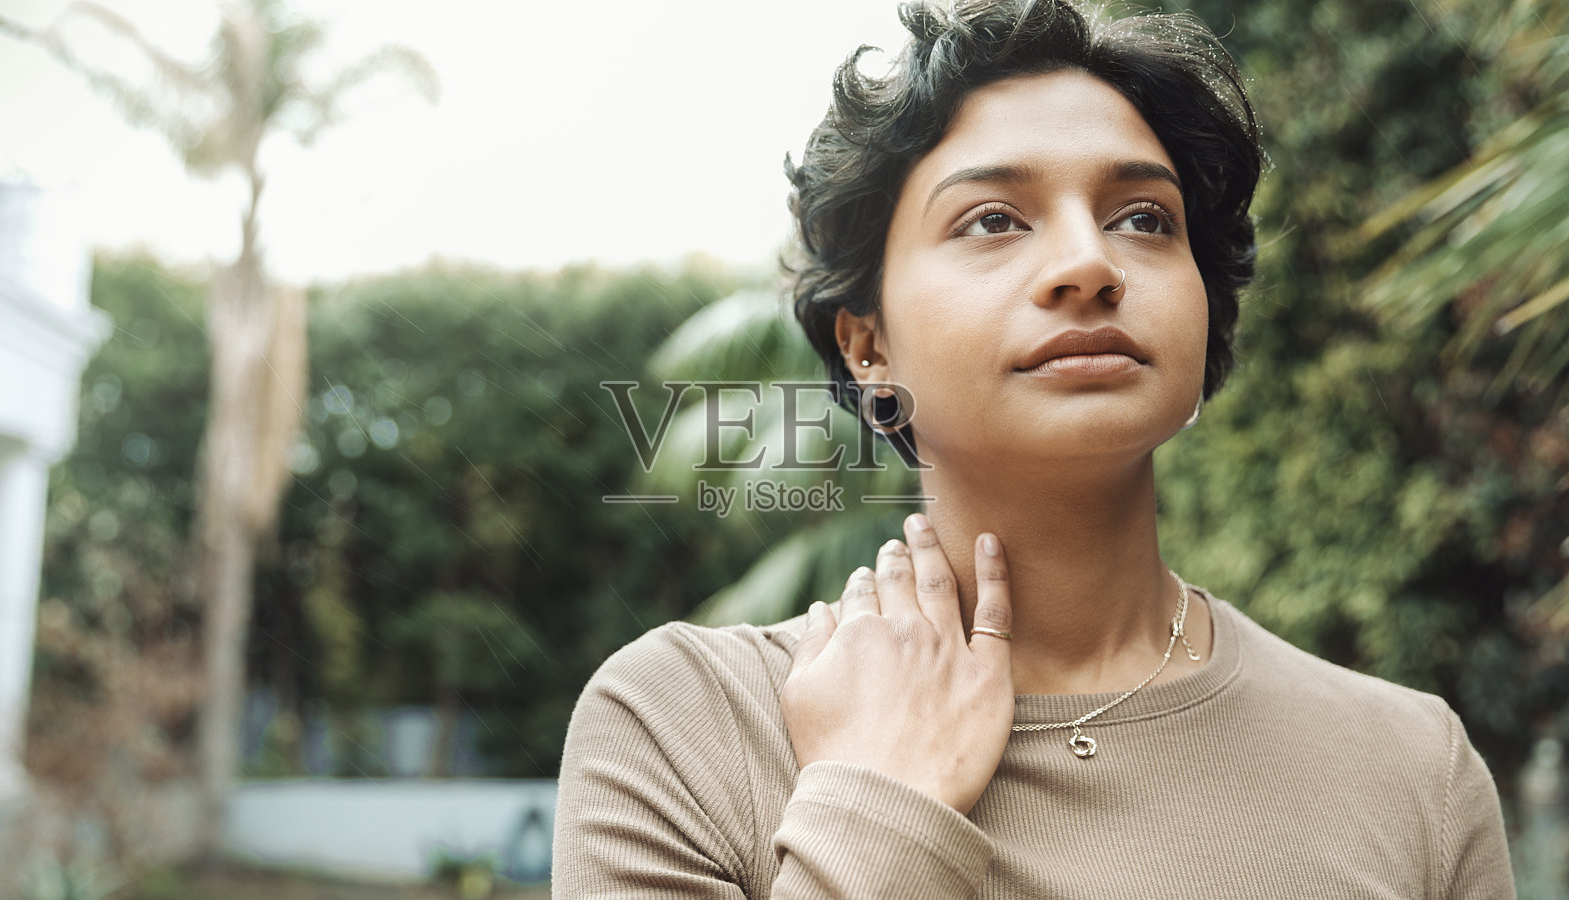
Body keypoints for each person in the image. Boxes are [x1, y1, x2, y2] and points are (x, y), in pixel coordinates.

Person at [551, 0, 1516, 896]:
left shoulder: (1413, 769)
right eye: (993, 220)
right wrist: (878, 800)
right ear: (867, 343)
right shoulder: (687, 726)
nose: (1089, 264)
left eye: (1144, 218)